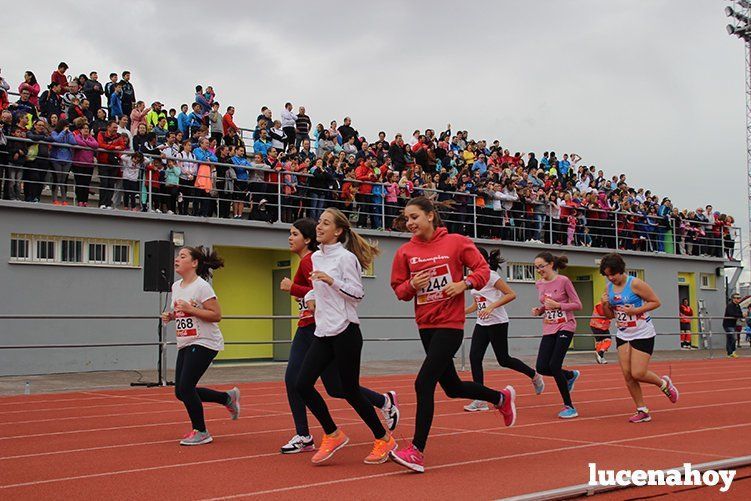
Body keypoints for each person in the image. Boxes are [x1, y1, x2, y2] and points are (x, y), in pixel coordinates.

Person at [389, 197, 516, 473]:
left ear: (431, 216)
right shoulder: (405, 252)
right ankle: (500, 398)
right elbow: (399, 290)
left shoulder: (456, 242)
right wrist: (411, 284)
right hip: (426, 325)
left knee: (423, 383)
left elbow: (483, 270)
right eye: (406, 218)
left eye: (414, 217)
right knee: (452, 387)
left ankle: (416, 451)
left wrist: (464, 284)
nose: (409, 223)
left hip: (451, 324)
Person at [279, 218, 399, 454]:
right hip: (320, 330)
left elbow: (357, 294)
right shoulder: (315, 258)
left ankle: (383, 436)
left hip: (342, 329)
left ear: (338, 231)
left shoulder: (343, 258)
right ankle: (331, 433)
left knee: (347, 389)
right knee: (306, 384)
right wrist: (310, 295)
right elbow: (315, 290)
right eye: (319, 224)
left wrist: (322, 283)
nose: (319, 227)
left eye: (324, 223)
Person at [161, 246, 240, 445]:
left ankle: (201, 431)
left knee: (187, 387)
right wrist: (171, 316)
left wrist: (190, 309)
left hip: (205, 341)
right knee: (181, 392)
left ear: (194, 263)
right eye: (177, 255)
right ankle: (226, 398)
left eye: (182, 256)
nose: (177, 259)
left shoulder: (202, 286)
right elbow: (183, 311)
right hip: (186, 341)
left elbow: (216, 315)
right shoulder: (176, 286)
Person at [598, 253, 679, 423]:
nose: (611, 278)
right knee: (628, 375)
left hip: (642, 333)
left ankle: (664, 384)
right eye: (607, 275)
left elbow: (656, 302)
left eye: (613, 274)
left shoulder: (635, 283)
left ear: (621, 270)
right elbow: (609, 316)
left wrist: (635, 311)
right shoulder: (609, 288)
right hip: (623, 333)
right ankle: (642, 410)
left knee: (638, 372)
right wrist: (605, 304)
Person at [464, 247, 544, 412]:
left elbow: (511, 294)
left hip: (498, 322)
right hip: (482, 322)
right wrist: (462, 311)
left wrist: (491, 307)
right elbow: (477, 303)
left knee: (503, 359)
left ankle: (534, 375)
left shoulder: (491, 276)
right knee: (474, 357)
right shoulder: (472, 279)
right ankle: (480, 399)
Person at [531, 252, 582, 419]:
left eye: (541, 266)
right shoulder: (539, 284)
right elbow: (547, 305)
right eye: (536, 267)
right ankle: (569, 375)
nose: (539, 270)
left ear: (551, 264)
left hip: (565, 326)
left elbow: (577, 305)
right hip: (549, 327)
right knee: (542, 367)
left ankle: (569, 407)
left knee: (554, 365)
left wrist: (559, 305)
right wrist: (540, 310)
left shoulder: (564, 281)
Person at [723, 293, 744, 358]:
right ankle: (731, 352)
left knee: (730, 339)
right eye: (737, 298)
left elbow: (739, 313)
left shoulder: (738, 306)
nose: (738, 299)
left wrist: (741, 315)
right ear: (733, 299)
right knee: (733, 338)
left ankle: (730, 353)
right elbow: (732, 314)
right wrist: (741, 315)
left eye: (739, 298)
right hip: (728, 324)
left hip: (733, 324)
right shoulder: (730, 305)